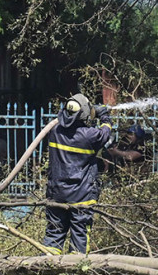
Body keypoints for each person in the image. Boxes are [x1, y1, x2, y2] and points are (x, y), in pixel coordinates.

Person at [40, 94, 112, 255]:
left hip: (56, 193)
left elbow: (68, 126)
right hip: (82, 195)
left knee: (54, 233)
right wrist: (103, 115)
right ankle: (76, 271)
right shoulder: (90, 135)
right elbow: (105, 132)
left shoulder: (54, 131)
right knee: (80, 234)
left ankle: (47, 268)